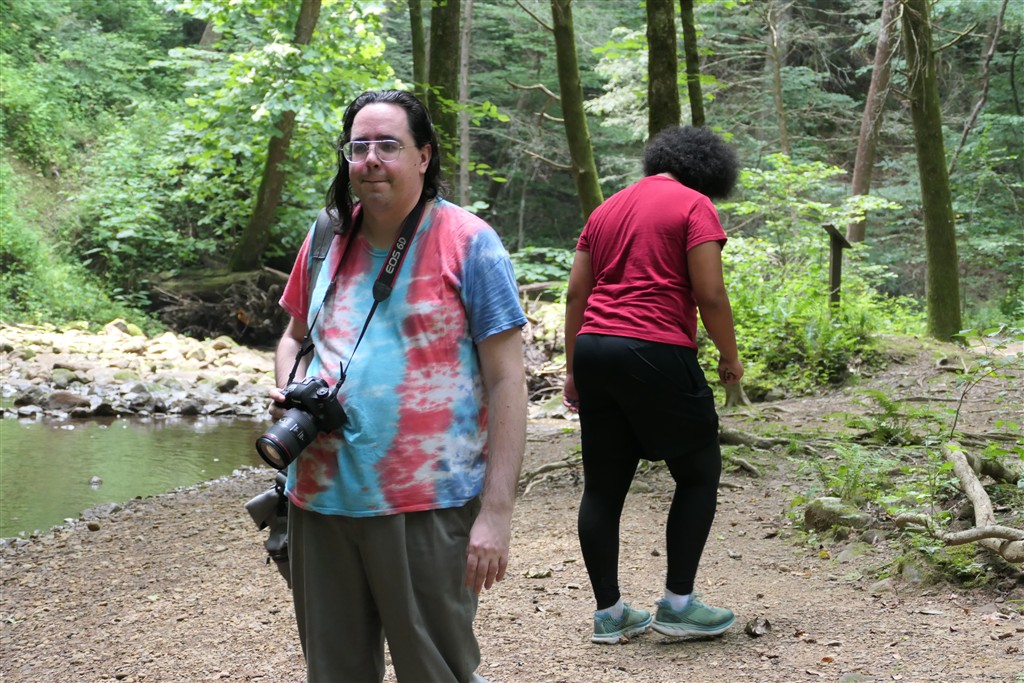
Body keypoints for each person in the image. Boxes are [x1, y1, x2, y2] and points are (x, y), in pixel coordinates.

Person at [268, 89, 528, 682]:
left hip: (425, 505)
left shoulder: (469, 242)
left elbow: (507, 380)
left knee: (437, 672)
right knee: (334, 674)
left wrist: (496, 512)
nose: (371, 160)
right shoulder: (328, 234)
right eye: (358, 147)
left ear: (424, 156)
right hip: (319, 499)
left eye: (388, 145)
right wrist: (292, 389)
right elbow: (292, 338)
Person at [562, 125, 743, 645]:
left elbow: (576, 293)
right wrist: (730, 356)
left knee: (602, 487)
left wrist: (572, 369)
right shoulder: (694, 205)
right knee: (699, 472)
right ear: (708, 172)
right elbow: (709, 293)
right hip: (655, 346)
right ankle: (679, 605)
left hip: (594, 348)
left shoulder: (605, 210)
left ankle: (610, 613)